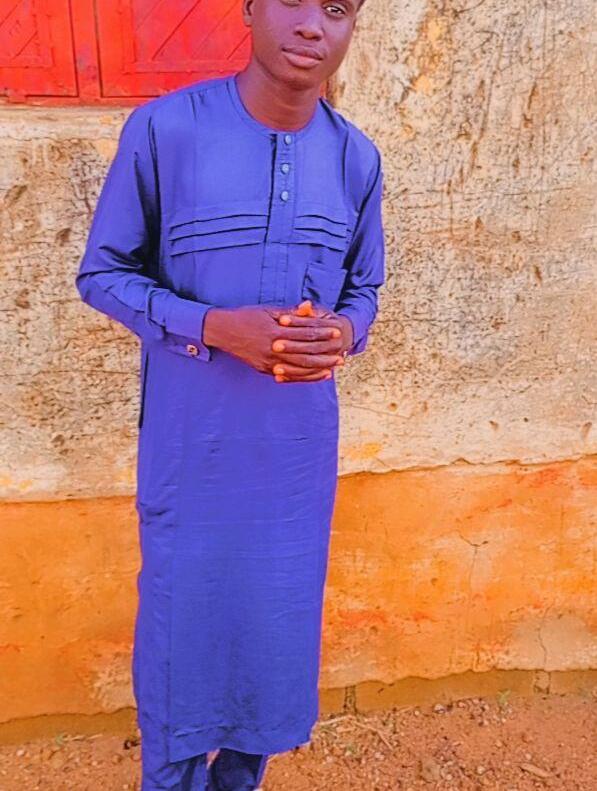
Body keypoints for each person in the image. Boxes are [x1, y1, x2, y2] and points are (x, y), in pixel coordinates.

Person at [75, 0, 383, 788]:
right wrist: (213, 326)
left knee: (271, 637)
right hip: (193, 446)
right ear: (248, 8)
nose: (313, 26)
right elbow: (102, 273)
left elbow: (364, 288)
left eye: (337, 9)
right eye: (293, 1)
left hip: (294, 460)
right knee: (181, 637)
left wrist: (344, 331)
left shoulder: (355, 159)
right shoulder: (164, 131)